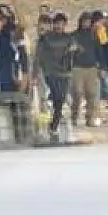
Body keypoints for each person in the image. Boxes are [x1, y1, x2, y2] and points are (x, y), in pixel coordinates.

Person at [35, 12, 75, 140]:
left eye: (61, 23)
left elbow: (78, 50)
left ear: (65, 25)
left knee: (60, 99)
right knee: (55, 96)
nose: (59, 26)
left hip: (65, 73)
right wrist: (39, 69)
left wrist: (73, 50)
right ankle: (52, 125)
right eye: (57, 23)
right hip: (51, 72)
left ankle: (54, 125)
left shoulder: (69, 38)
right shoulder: (47, 37)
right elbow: (39, 54)